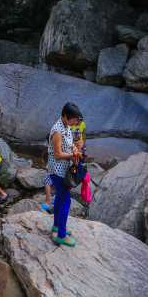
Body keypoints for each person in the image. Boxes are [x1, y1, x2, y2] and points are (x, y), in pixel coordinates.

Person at [46, 102, 83, 247]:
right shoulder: (57, 131)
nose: (75, 123)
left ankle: (57, 224)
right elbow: (57, 154)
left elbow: (70, 143)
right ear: (66, 117)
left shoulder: (67, 127)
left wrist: (74, 148)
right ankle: (61, 235)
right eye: (74, 120)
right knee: (66, 201)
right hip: (57, 171)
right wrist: (71, 156)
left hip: (65, 170)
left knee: (61, 199)